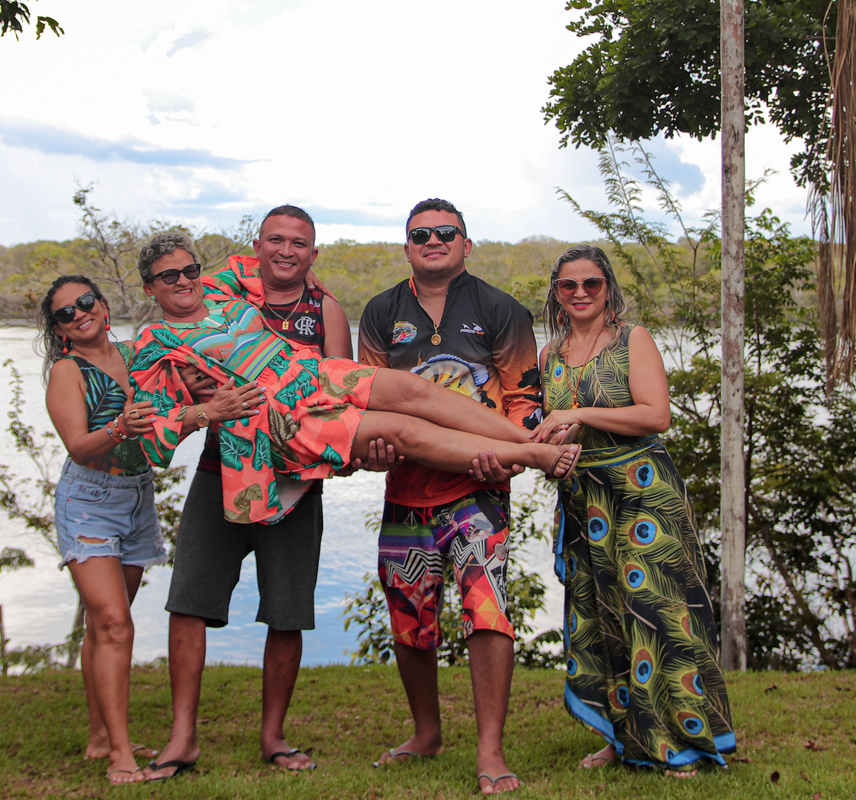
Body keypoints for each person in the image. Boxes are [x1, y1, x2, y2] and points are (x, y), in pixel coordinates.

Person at [142, 206, 395, 779]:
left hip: (295, 481)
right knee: (189, 602)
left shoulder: (325, 309)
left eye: (299, 243)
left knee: (287, 611)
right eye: (275, 240)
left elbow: (341, 395)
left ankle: (274, 736)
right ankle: (181, 738)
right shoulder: (226, 294)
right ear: (257, 246)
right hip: (221, 470)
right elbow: (188, 319)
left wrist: (351, 457)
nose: (286, 251)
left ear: (313, 252)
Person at [129, 232, 578, 527]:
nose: (184, 280)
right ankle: (534, 455)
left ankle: (530, 435)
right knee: (402, 431)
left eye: (190, 269)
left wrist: (311, 274)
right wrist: (206, 411)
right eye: (169, 276)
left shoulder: (220, 288)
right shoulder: (153, 342)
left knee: (412, 387)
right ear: (150, 287)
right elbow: (152, 430)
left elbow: (272, 261)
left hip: (308, 372)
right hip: (278, 417)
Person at [357, 198, 543, 795]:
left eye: (445, 232)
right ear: (406, 246)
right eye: (421, 235)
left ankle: (491, 750)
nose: (432, 241)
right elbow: (367, 396)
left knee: (486, 609)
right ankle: (426, 733)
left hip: (477, 487)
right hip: (406, 488)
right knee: (410, 613)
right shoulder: (381, 311)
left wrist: (510, 456)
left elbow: (525, 400)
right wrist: (373, 449)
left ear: (466, 243)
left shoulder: (500, 308)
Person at [530, 244, 736, 776]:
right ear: (557, 292)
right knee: (605, 617)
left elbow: (655, 415)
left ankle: (681, 741)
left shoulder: (631, 339)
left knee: (659, 611)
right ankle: (622, 737)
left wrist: (578, 413)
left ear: (608, 287)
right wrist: (554, 445)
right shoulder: (550, 355)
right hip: (586, 498)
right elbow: (563, 427)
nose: (580, 293)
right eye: (569, 284)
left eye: (591, 283)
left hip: (643, 492)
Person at [39, 276, 169, 785]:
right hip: (89, 502)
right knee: (115, 623)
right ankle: (120, 752)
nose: (79, 313)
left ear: (104, 304)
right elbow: (77, 445)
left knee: (104, 626)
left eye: (85, 301)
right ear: (60, 330)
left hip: (137, 496)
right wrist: (119, 428)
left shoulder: (139, 354)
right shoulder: (66, 371)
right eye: (65, 313)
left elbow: (178, 399)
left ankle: (99, 736)